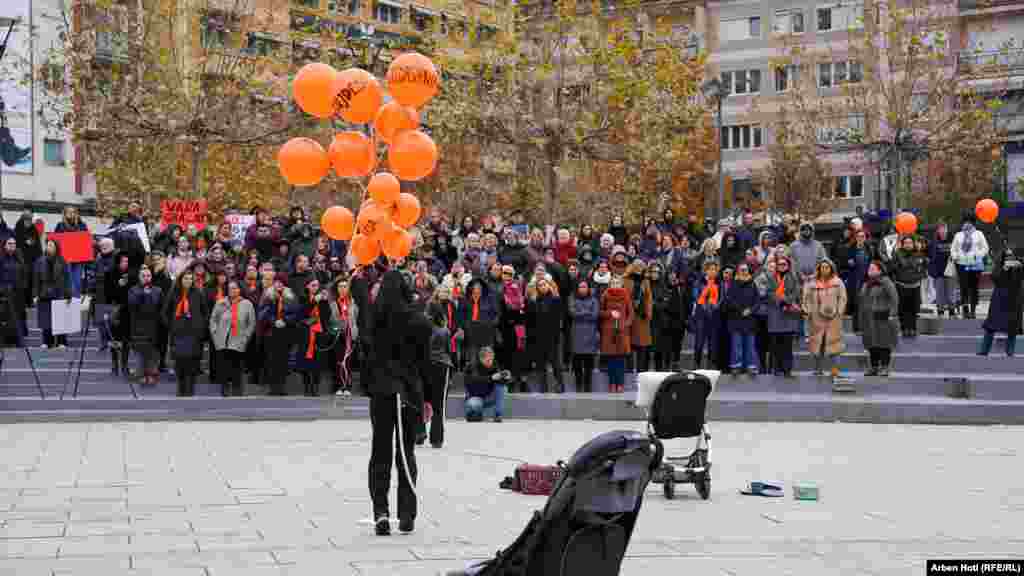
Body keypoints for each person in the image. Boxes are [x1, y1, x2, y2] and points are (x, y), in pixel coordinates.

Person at [351, 268, 432, 537]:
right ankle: (407, 514)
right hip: (408, 394)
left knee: (381, 453)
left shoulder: (374, 319)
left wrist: (359, 277)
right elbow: (425, 365)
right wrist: (428, 399)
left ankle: (381, 512)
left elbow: (362, 299)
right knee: (405, 453)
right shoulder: (419, 321)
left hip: (382, 394)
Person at [163, 269, 207, 396]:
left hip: (193, 336)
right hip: (178, 336)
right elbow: (164, 313)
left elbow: (205, 313)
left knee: (191, 367)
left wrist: (200, 326)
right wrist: (172, 326)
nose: (188, 281)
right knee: (180, 366)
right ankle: (181, 393)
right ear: (180, 280)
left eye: (190, 279)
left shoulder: (198, 294)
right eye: (185, 279)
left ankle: (189, 394)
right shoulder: (173, 294)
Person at [210, 280, 256, 396]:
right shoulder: (221, 303)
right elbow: (213, 320)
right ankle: (224, 389)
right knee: (224, 366)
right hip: (223, 340)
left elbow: (251, 323)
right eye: (231, 288)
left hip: (239, 340)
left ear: (240, 289)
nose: (233, 290)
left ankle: (237, 389)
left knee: (237, 366)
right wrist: (215, 334)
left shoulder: (247, 304)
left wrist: (245, 337)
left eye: (235, 288)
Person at [803, 259, 848, 378]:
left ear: (831, 268)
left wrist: (839, 312)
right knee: (818, 344)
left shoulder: (838, 282)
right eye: (822, 267)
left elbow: (843, 298)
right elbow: (806, 298)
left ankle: (835, 370)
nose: (824, 269)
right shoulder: (812, 283)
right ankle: (818, 369)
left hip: (833, 319)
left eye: (827, 267)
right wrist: (808, 311)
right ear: (819, 269)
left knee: (835, 344)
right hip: (816, 319)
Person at [258, 273, 300, 396]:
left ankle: (281, 387)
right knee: (272, 360)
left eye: (281, 282)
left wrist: (285, 320)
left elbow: (296, 313)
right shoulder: (267, 295)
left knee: (283, 360)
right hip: (271, 332)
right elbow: (262, 313)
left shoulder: (291, 296)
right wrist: (273, 321)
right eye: (277, 282)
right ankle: (273, 387)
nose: (279, 284)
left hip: (285, 332)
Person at [978, 247, 1023, 357]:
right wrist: (1004, 268)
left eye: (1011, 256)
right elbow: (994, 278)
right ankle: (984, 350)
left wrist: (1020, 265)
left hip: (1015, 298)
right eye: (1007, 256)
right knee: (991, 325)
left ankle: (1010, 351)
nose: (1009, 259)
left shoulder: (1019, 266)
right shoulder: (1000, 266)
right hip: (1000, 297)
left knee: (1013, 327)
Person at [764, 254, 802, 378]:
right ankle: (776, 369)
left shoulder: (793, 277)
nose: (782, 266)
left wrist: (788, 301)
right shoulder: (771, 277)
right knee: (775, 345)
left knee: (787, 346)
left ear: (788, 266)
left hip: (788, 315)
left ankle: (787, 370)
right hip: (775, 313)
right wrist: (782, 301)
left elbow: (796, 292)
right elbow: (769, 292)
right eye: (780, 264)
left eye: (784, 264)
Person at [859, 260, 899, 376]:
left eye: (872, 268)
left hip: (883, 316)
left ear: (880, 270)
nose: (869, 270)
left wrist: (892, 313)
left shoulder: (886, 282)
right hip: (868, 318)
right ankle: (874, 367)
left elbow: (894, 298)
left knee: (884, 343)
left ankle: (885, 367)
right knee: (871, 343)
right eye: (869, 268)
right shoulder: (866, 283)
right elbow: (862, 300)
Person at [126, 267, 164, 387]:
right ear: (139, 277)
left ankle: (151, 375)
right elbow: (132, 304)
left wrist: (149, 295)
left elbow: (159, 305)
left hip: (153, 326)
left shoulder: (157, 290)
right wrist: (144, 294)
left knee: (152, 353)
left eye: (148, 276)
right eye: (144, 276)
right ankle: (141, 375)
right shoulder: (133, 290)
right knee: (140, 353)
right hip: (138, 326)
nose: (146, 278)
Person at [526, 274, 563, 393]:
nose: (542, 287)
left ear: (548, 285)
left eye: (544, 284)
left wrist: (557, 336)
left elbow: (558, 318)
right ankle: (543, 387)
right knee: (540, 364)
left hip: (552, 337)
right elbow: (530, 320)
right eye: (539, 285)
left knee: (555, 363)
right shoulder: (533, 301)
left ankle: (560, 385)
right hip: (538, 337)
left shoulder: (555, 299)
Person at [295, 277, 332, 396]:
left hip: (319, 333)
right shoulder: (302, 298)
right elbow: (302, 312)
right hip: (305, 333)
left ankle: (315, 387)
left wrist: (325, 301)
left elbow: (326, 316)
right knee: (306, 361)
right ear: (307, 286)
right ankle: (306, 387)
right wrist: (314, 301)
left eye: (317, 285)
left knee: (317, 361)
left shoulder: (322, 299)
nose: (315, 288)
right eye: (313, 285)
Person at [951, 213, 989, 319]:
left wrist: (978, 256)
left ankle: (973, 310)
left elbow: (985, 248)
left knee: (974, 287)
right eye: (965, 221)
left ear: (973, 223)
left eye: (969, 222)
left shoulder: (979, 234)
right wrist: (955, 256)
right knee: (964, 287)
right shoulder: (958, 235)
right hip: (961, 264)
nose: (967, 224)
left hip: (975, 265)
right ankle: (965, 309)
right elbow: (953, 249)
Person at [724, 262, 759, 375]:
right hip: (736, 319)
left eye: (745, 269)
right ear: (738, 271)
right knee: (736, 344)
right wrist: (740, 310)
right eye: (741, 270)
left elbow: (757, 301)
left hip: (750, 320)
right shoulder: (733, 284)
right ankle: (736, 366)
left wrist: (751, 310)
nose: (744, 272)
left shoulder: (753, 284)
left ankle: (751, 366)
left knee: (750, 345)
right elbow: (729, 300)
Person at [33, 239, 69, 350]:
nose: (48, 247)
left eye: (51, 245)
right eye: (47, 245)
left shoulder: (62, 261)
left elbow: (67, 279)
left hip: (58, 293)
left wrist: (68, 294)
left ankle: (61, 342)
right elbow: (36, 279)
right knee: (45, 319)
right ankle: (46, 342)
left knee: (60, 319)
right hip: (44, 293)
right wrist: (35, 294)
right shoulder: (40, 261)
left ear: (56, 247)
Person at [599, 276, 633, 393]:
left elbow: (630, 314)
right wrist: (609, 313)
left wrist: (625, 324)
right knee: (611, 360)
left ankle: (620, 384)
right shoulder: (605, 295)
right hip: (609, 332)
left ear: (621, 284)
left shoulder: (626, 295)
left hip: (622, 332)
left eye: (617, 282)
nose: (615, 284)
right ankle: (612, 383)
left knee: (621, 360)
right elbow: (600, 312)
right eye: (613, 282)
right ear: (610, 284)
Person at [424, 307, 452, 446]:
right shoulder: (445, 331)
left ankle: (419, 433)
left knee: (421, 400)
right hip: (441, 366)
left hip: (425, 365)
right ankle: (436, 439)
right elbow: (448, 350)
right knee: (438, 404)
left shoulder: (424, 330)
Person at [891, 236, 927, 338]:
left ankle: (913, 328)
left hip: (915, 285)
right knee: (902, 309)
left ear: (913, 244)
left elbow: (924, 268)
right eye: (906, 243)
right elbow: (892, 267)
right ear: (902, 244)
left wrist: (919, 276)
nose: (908, 245)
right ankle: (904, 328)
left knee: (914, 309)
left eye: (910, 243)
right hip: (901, 284)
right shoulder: (897, 254)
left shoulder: (919, 254)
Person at [106, 252, 135, 374]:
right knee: (114, 339)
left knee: (126, 339)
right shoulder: (110, 273)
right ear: (118, 262)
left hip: (127, 310)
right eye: (123, 261)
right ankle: (114, 365)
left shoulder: (131, 274)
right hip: (114, 309)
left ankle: (124, 365)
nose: (125, 264)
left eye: (127, 261)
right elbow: (107, 294)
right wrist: (118, 285)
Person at [329, 276, 358, 396]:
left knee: (348, 361)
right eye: (340, 286)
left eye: (345, 286)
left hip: (349, 334)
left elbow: (355, 317)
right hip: (338, 335)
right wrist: (337, 327)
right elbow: (330, 320)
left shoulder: (353, 302)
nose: (342, 289)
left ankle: (347, 386)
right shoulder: (333, 303)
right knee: (338, 360)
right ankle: (339, 386)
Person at [690, 260, 722, 370]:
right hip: (701, 316)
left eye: (715, 269)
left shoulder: (719, 283)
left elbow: (722, 298)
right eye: (710, 269)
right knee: (699, 342)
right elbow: (695, 296)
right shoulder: (699, 282)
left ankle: (711, 366)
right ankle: (696, 364)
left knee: (712, 344)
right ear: (705, 270)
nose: (712, 271)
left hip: (714, 316)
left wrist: (716, 306)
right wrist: (703, 305)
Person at [464, 346, 509, 422]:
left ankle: (498, 415)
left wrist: (505, 378)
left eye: (492, 359)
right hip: (475, 396)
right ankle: (474, 413)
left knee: (503, 388)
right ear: (481, 359)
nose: (490, 362)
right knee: (474, 405)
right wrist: (491, 378)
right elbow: (474, 382)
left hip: (488, 396)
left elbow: (500, 383)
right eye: (488, 360)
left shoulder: (494, 365)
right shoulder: (471, 367)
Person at [570, 280, 599, 392]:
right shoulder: (573, 299)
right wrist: (586, 312)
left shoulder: (594, 300)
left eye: (584, 287)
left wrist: (580, 313)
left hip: (590, 334)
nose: (582, 289)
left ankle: (588, 385)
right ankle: (578, 384)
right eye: (580, 287)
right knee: (577, 363)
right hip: (577, 334)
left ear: (588, 288)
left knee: (588, 364)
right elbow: (572, 313)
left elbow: (595, 315)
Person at [0, 237, 27, 348]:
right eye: (10, 243)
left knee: (18, 317)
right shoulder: (1, 259)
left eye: (14, 244)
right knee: (5, 319)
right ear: (5, 245)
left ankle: (18, 341)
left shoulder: (19, 258)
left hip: (18, 293)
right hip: (5, 293)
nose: (12, 246)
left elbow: (24, 274)